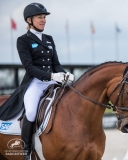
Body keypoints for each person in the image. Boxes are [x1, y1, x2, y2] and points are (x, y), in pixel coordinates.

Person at [0, 3, 74, 160]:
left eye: (44, 17)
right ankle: (27, 151)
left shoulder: (49, 39)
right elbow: (29, 67)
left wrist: (64, 74)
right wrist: (52, 76)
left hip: (52, 81)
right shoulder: (23, 40)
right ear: (29, 20)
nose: (43, 20)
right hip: (35, 82)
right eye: (40, 17)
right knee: (32, 111)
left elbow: (55, 63)